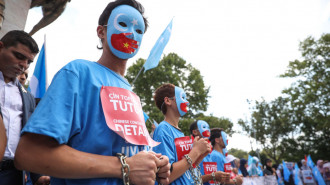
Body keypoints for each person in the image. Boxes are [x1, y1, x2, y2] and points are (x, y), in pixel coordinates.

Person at [14, 0, 170, 185]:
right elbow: (30, 153)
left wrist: (153, 164)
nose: (131, 34)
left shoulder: (131, 93)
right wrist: (124, 167)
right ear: (101, 32)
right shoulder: (78, 73)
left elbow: (126, 154)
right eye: (122, 24)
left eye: (139, 31)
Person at [0, 30, 50, 185]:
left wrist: (38, 176)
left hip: (13, 174)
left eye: (29, 62)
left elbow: (30, 138)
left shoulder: (27, 97)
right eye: (19, 56)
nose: (24, 65)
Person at [152, 83, 211, 184]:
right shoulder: (163, 129)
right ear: (168, 101)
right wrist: (196, 151)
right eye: (182, 97)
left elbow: (185, 167)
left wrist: (200, 155)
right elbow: (165, 177)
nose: (187, 102)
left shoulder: (179, 132)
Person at [189, 120, 230, 185]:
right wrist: (212, 176)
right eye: (204, 127)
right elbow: (190, 179)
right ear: (194, 132)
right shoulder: (190, 150)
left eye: (208, 127)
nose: (208, 130)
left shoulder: (208, 153)